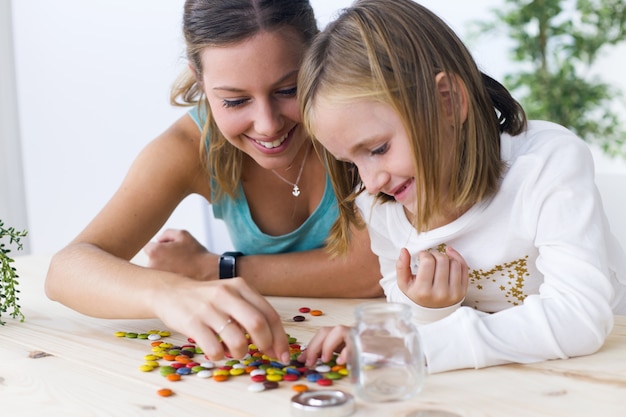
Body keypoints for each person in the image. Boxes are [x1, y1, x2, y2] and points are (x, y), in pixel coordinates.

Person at [296, 0, 626, 374]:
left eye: (378, 149)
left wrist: (412, 342)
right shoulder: (381, 204)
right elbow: (405, 311)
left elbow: (580, 316)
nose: (371, 182)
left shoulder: (547, 164)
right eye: (350, 163)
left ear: (448, 102)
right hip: (494, 385)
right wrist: (425, 312)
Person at [44, 0, 382, 363]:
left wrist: (214, 269)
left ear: (319, 55)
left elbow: (371, 270)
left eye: (288, 90)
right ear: (200, 81)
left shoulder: (361, 110)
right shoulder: (188, 147)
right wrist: (168, 292)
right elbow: (65, 270)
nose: (267, 124)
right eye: (235, 101)